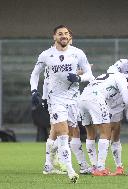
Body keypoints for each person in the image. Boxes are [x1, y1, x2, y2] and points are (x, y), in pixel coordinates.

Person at [30, 25, 94, 183]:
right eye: (60, 34)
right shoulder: (46, 55)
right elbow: (35, 73)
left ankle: (48, 164)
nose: (63, 36)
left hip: (73, 100)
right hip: (55, 99)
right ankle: (71, 171)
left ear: (69, 36)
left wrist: (79, 78)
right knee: (63, 134)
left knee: (65, 132)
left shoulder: (77, 53)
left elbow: (90, 75)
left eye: (66, 33)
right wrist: (34, 91)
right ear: (54, 37)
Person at [79, 72, 128, 176]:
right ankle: (100, 168)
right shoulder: (120, 79)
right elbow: (127, 99)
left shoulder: (105, 77)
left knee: (90, 133)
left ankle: (94, 167)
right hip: (95, 99)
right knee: (106, 132)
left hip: (82, 98)